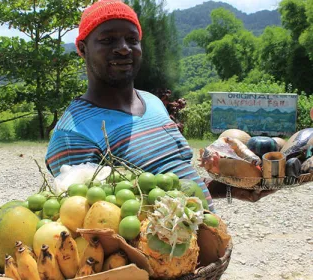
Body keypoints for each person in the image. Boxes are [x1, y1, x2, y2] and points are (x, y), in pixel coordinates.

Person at [45, 0, 273, 211]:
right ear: (83, 49)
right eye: (108, 40)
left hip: (201, 250)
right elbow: (86, 224)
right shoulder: (73, 134)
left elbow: (175, 179)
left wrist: (234, 189)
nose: (124, 48)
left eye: (132, 40)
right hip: (161, 251)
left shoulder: (152, 102)